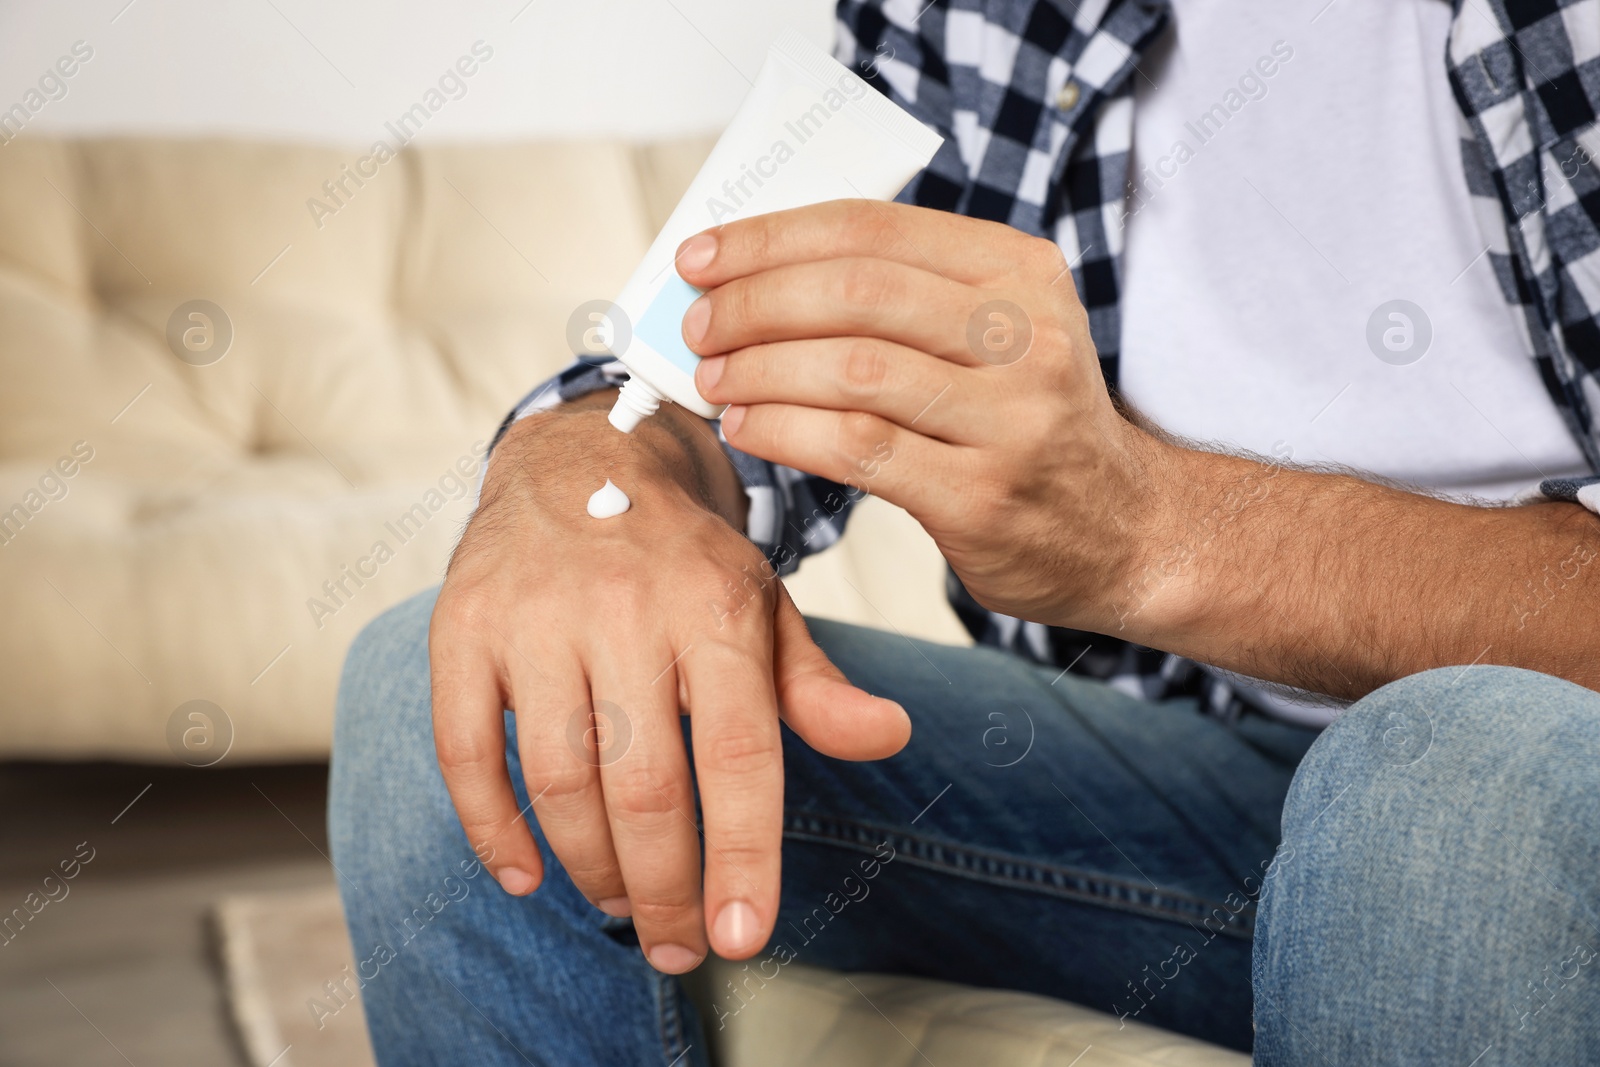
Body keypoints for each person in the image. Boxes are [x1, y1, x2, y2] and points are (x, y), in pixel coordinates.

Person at [330, 1, 1600, 1063]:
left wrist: (1151, 535)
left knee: (1451, 777)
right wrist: (584, 473)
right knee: (483, 682)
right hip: (1214, 773)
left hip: (1514, 800)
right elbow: (711, 358)